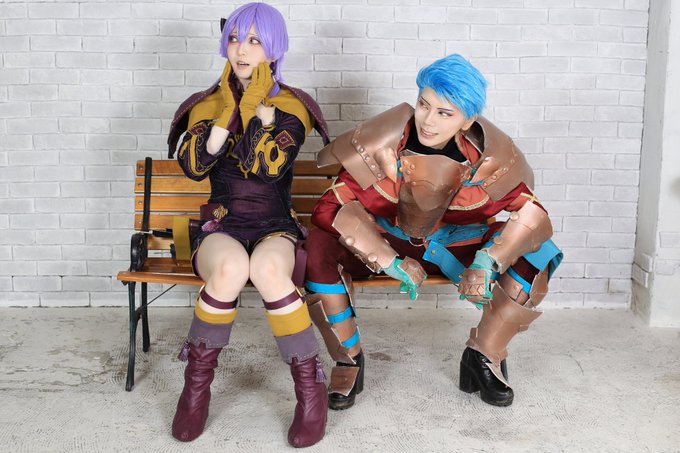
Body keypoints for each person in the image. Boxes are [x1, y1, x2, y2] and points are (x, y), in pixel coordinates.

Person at [303, 54, 562, 410]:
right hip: (387, 242)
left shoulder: (491, 157)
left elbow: (534, 215)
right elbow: (328, 209)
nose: (428, 120)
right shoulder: (381, 141)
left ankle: (484, 355)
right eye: (424, 105)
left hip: (453, 247)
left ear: (467, 120)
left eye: (445, 113)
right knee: (318, 247)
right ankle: (348, 359)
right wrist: (389, 261)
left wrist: (486, 262)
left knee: (539, 251)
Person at [166, 3, 330, 447]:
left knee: (269, 269)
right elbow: (195, 167)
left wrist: (261, 111)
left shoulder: (292, 105)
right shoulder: (205, 104)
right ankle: (194, 393)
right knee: (231, 268)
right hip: (222, 226)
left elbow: (268, 168)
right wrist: (228, 111)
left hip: (274, 225)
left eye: (255, 40)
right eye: (236, 38)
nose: (242, 50)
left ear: (274, 49)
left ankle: (310, 392)